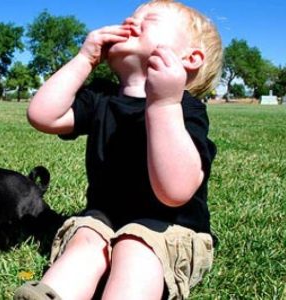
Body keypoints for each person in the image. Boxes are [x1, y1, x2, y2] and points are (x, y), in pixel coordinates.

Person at [14, 0, 222, 299]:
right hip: (103, 219)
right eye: (131, 16)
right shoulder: (101, 97)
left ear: (190, 58)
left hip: (168, 229)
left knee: (137, 246)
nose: (131, 21)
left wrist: (163, 102)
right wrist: (84, 59)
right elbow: (43, 115)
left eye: (149, 19)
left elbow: (175, 191)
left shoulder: (183, 107)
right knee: (86, 238)